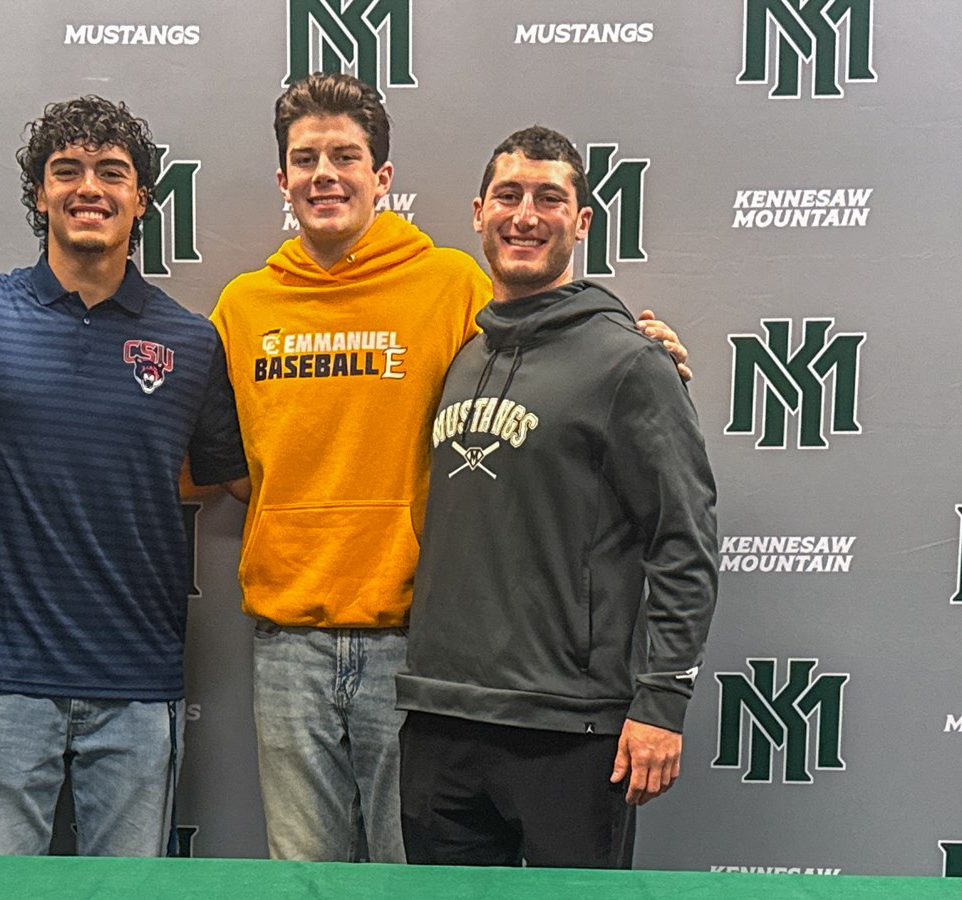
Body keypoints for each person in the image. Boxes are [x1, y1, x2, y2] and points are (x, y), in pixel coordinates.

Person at [210, 73, 692, 863]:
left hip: (419, 648)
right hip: (286, 644)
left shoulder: (451, 285)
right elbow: (227, 464)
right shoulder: (241, 306)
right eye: (306, 159)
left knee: (416, 881)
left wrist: (648, 356)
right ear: (283, 180)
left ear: (382, 177)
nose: (325, 174)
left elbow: (551, 355)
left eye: (346, 156)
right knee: (305, 880)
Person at [0, 96, 246, 857]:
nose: (88, 187)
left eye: (112, 172)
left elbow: (224, 476)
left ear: (141, 197)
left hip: (138, 682)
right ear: (40, 195)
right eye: (66, 171)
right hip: (0, 679)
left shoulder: (191, 341)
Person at [396, 125, 718, 869]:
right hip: (443, 717)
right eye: (508, 196)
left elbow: (685, 541)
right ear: (478, 212)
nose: (525, 215)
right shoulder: (464, 356)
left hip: (571, 728)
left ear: (580, 223)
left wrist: (661, 704)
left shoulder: (630, 362)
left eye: (549, 198)